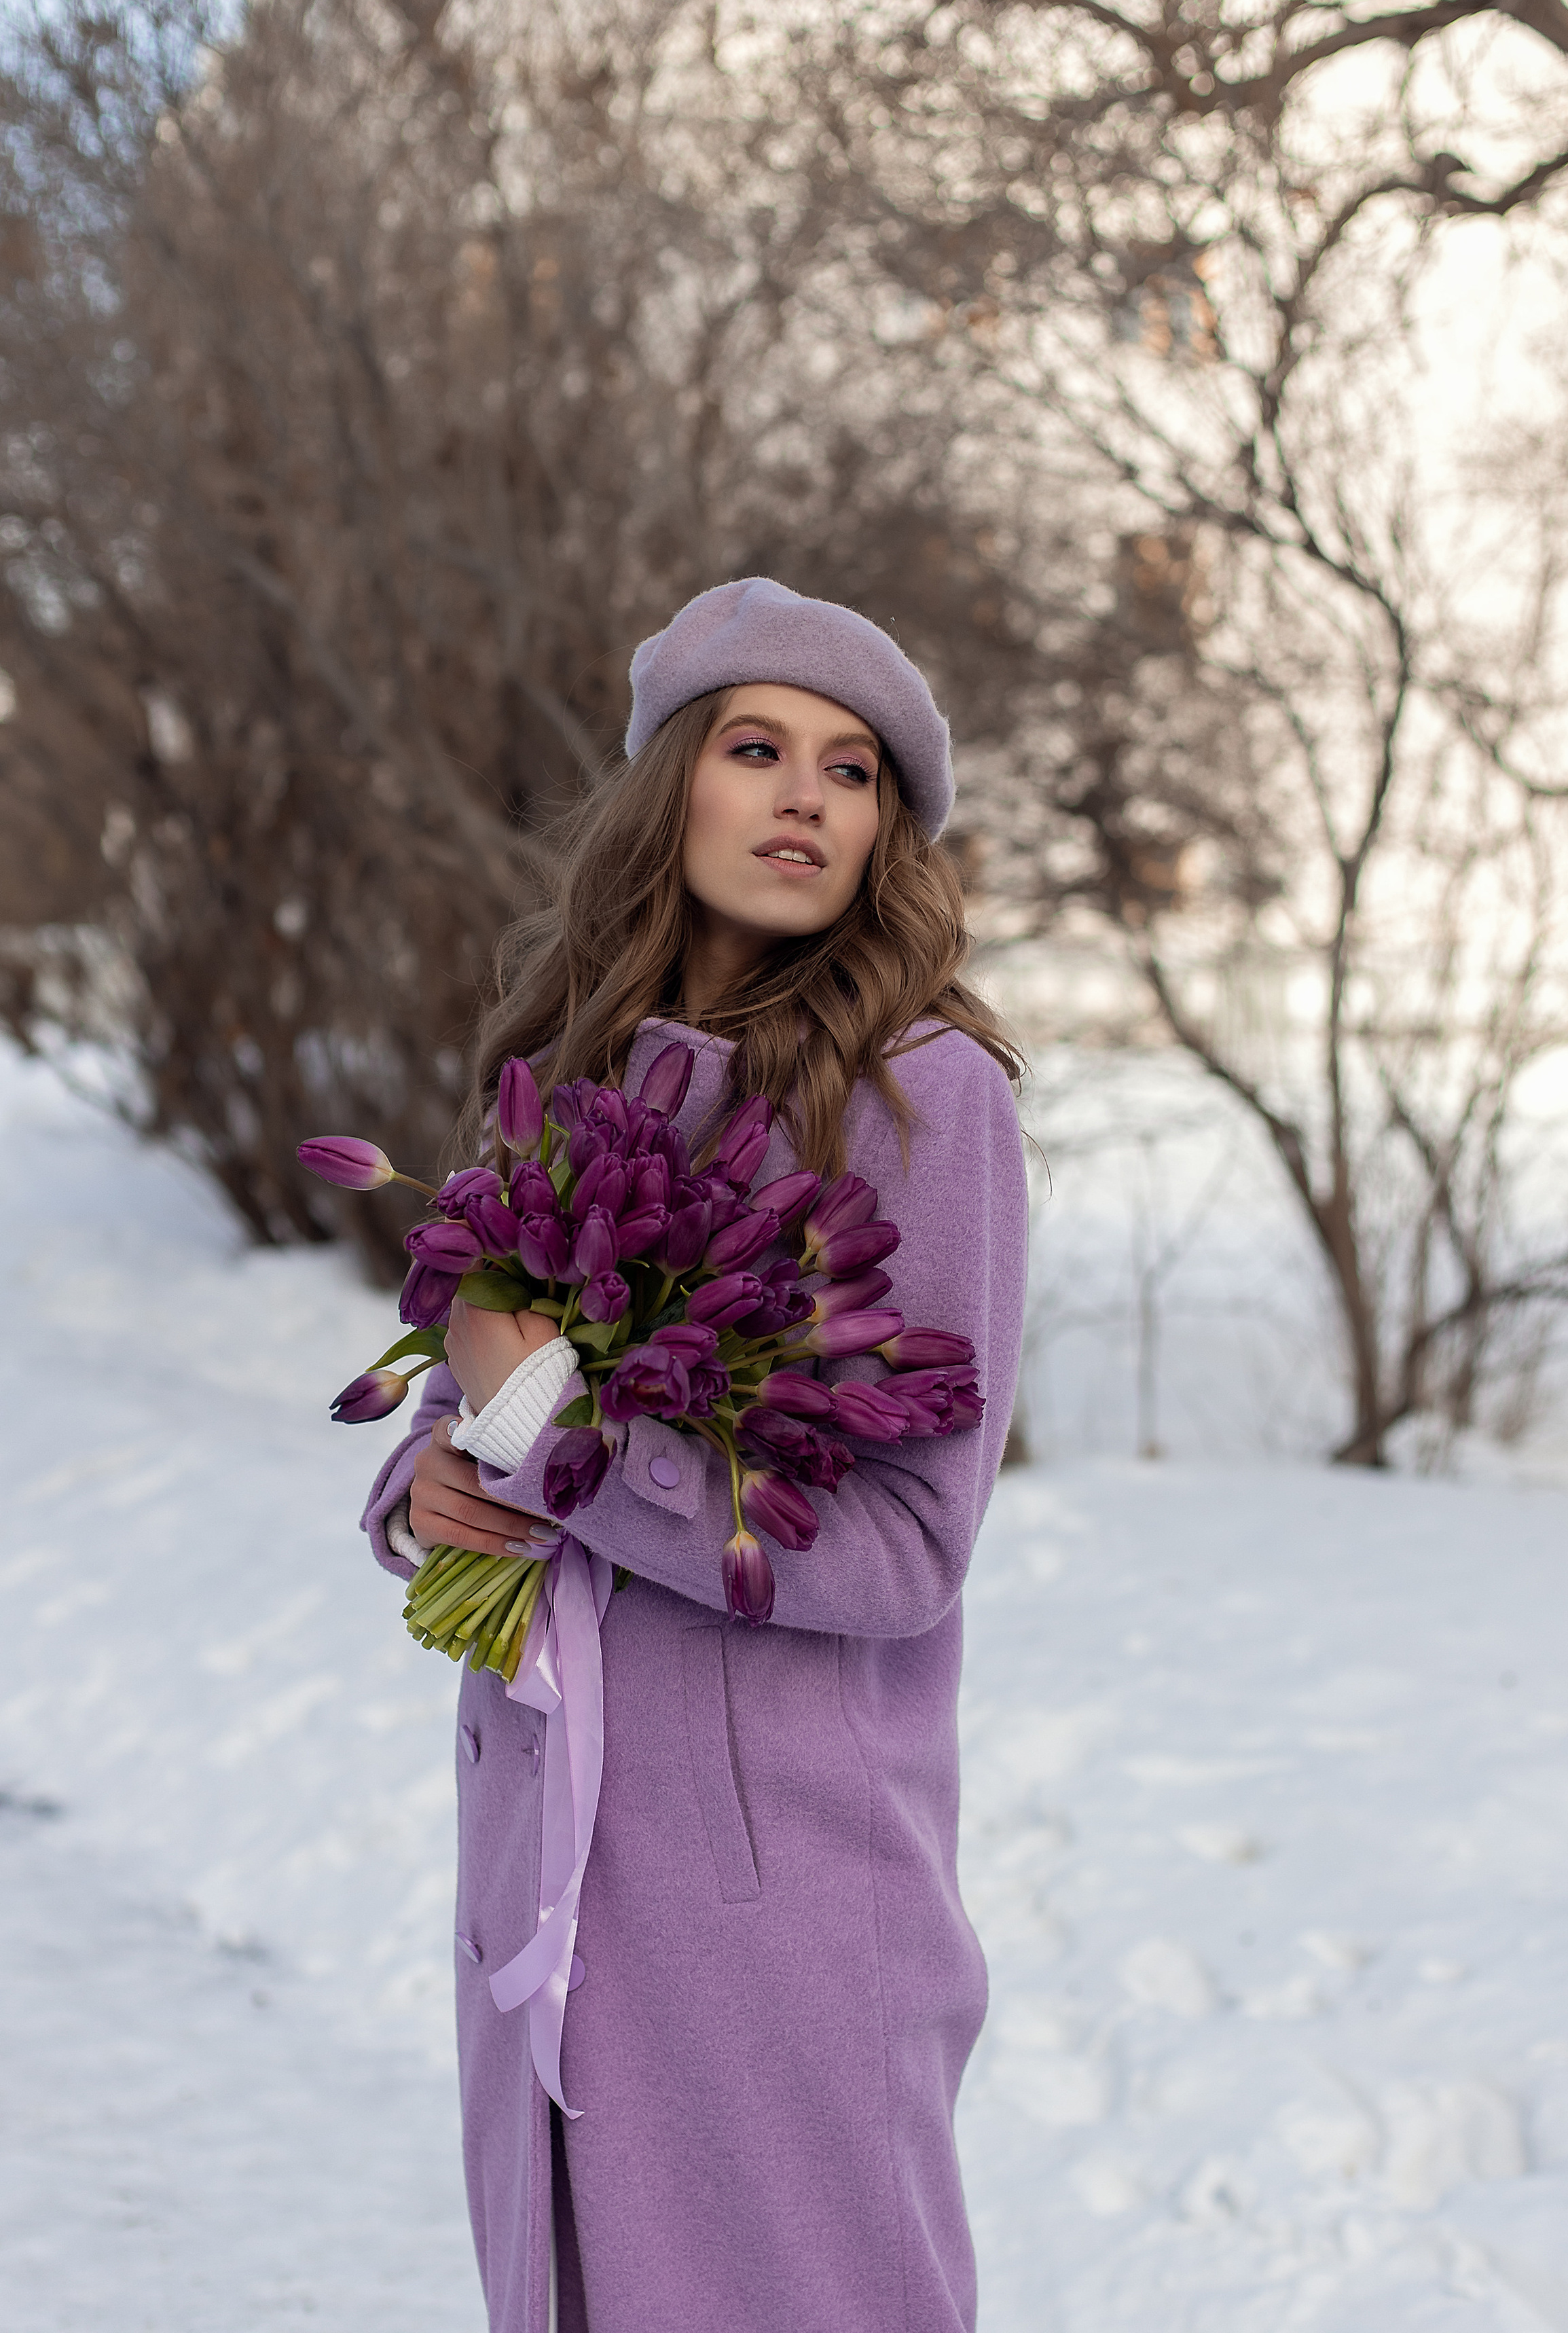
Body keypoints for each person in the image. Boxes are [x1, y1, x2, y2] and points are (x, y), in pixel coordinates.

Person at [362, 577, 1028, 2333]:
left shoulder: (923, 1097)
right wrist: (431, 1477)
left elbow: (907, 1547)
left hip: (775, 1902)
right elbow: (484, 1380)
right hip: (551, 1868)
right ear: (678, 785)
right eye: (758, 749)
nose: (808, 795)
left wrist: (551, 1442)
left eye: (854, 770)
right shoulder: (570, 1071)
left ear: (889, 831)